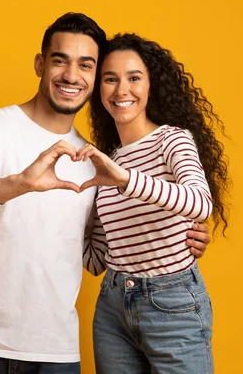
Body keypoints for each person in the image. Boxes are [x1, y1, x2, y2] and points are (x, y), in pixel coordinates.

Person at [0, 13, 211, 374]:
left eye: (86, 65)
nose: (72, 75)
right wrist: (18, 184)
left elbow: (94, 254)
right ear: (41, 64)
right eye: (61, 60)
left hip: (55, 351)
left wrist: (176, 235)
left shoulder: (95, 162)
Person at [81, 33, 230, 373]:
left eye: (134, 78)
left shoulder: (171, 140)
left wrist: (125, 180)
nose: (122, 91)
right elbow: (95, 261)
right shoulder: (107, 162)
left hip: (172, 305)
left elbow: (200, 203)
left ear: (151, 86)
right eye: (110, 79)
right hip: (112, 309)